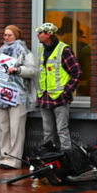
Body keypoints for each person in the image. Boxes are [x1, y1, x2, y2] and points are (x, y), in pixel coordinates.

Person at [0, 25, 38, 170]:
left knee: (16, 128)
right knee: (3, 127)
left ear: (16, 36)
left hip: (17, 95)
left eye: (9, 35)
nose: (6, 38)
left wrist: (18, 70)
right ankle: (4, 157)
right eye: (5, 35)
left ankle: (13, 160)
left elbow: (33, 70)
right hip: (1, 94)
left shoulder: (25, 53)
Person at [35, 22, 81, 153]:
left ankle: (68, 157)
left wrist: (66, 92)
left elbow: (77, 72)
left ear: (48, 35)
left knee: (62, 130)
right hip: (44, 97)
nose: (38, 35)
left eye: (40, 33)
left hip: (60, 97)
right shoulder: (41, 50)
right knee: (47, 130)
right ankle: (49, 157)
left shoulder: (64, 50)